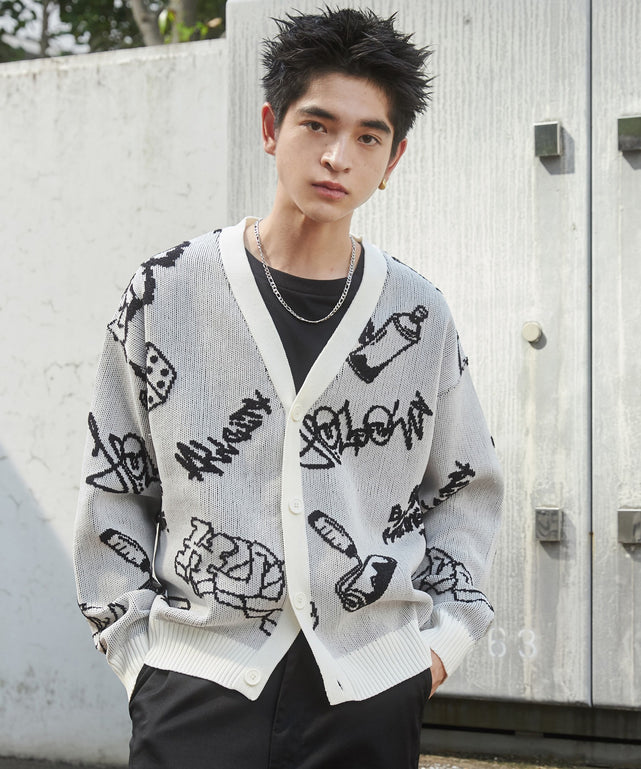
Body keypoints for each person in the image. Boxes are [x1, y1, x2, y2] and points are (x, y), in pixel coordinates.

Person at [73, 7, 503, 769]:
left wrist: (437, 647)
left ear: (393, 158)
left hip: (370, 693)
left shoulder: (417, 313)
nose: (338, 156)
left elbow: (465, 490)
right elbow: (116, 484)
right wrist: (139, 657)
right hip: (195, 690)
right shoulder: (167, 290)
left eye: (367, 137)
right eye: (317, 125)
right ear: (272, 127)